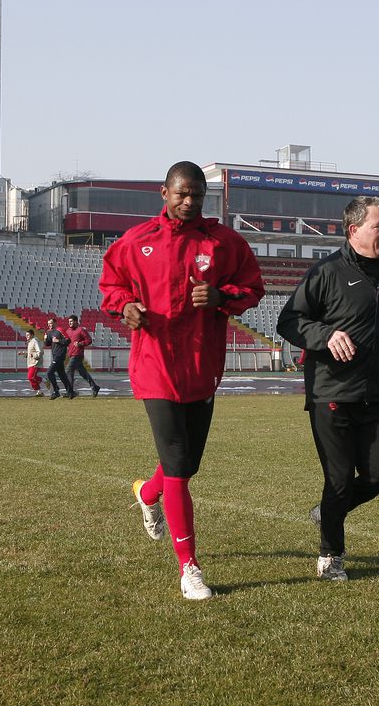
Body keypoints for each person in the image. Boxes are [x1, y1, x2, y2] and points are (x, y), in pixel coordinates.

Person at [99, 160, 264, 600]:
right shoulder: (136, 242)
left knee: (184, 464)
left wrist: (221, 296)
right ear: (164, 193)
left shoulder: (224, 243)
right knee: (178, 466)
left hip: (201, 367)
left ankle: (146, 493)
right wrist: (125, 307)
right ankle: (188, 567)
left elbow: (252, 288)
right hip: (155, 365)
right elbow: (111, 288)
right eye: (182, 194)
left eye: (197, 196)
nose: (189, 202)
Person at [276, 196, 379, 582]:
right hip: (331, 394)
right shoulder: (326, 272)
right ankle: (330, 556)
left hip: (375, 393)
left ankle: (328, 510)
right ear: (354, 231)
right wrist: (325, 335)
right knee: (338, 481)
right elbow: (289, 321)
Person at [65, 314, 100, 397]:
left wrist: (80, 343)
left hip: (77, 354)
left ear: (76, 321)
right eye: (69, 322)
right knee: (82, 372)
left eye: (71, 321)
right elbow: (65, 341)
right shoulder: (68, 331)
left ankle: (70, 391)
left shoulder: (81, 330)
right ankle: (94, 387)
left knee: (68, 370)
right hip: (71, 354)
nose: (69, 323)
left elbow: (89, 340)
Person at [43, 316, 74, 400]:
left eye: (51, 323)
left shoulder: (59, 330)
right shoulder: (48, 332)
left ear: (55, 323)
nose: (49, 325)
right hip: (55, 354)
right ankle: (70, 391)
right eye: (48, 323)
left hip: (60, 355)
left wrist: (58, 341)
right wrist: (45, 339)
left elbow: (68, 341)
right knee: (62, 375)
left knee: (49, 372)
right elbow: (48, 344)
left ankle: (56, 391)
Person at [24, 329, 44, 395]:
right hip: (30, 362)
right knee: (32, 377)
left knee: (30, 377)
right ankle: (43, 381)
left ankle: (39, 390)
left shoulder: (35, 341)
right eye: (26, 335)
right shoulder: (30, 342)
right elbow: (31, 353)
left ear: (32, 335)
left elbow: (39, 352)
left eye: (28, 335)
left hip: (35, 362)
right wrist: (25, 354)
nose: (26, 336)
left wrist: (35, 356)